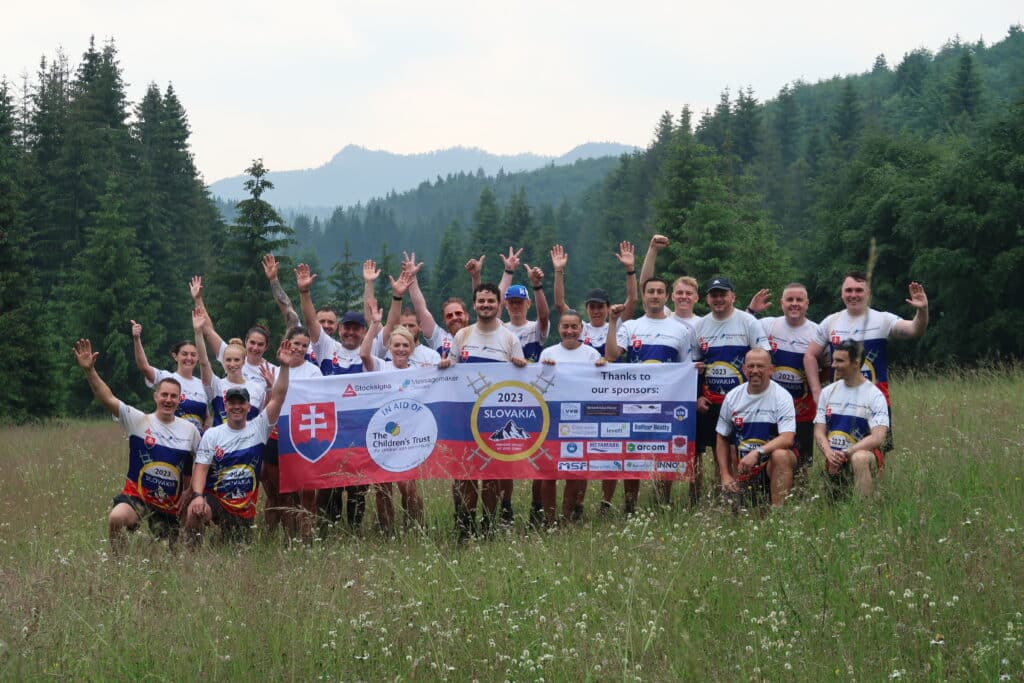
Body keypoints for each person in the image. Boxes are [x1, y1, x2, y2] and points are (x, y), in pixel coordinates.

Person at [74, 338, 201, 554]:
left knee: (168, 558)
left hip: (169, 506)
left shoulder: (190, 431)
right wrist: (89, 371)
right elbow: (107, 398)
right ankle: (118, 561)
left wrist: (190, 491)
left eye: (173, 396)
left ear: (180, 400)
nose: (168, 400)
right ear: (156, 396)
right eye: (164, 395)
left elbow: (200, 464)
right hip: (137, 498)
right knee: (116, 517)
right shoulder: (138, 421)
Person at [438, 282, 527, 539]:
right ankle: (465, 525)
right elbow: (451, 371)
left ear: (499, 305)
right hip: (464, 417)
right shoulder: (462, 336)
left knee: (491, 474)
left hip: (495, 418)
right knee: (465, 474)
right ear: (474, 304)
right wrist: (445, 365)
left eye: (490, 301)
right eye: (481, 301)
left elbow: (520, 383)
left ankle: (488, 524)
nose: (485, 305)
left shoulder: (510, 339)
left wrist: (521, 366)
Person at [183, 340, 292, 545]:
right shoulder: (213, 434)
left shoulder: (259, 428)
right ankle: (191, 558)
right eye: (232, 403)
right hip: (215, 496)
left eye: (240, 403)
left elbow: (278, 397)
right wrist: (197, 496)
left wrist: (284, 366)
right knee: (195, 512)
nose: (236, 407)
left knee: (234, 546)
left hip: (243, 507)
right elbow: (201, 469)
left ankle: (221, 538)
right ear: (225, 404)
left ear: (248, 405)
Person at [804, 271, 928, 451]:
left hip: (874, 403)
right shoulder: (831, 322)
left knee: (874, 457)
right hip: (839, 404)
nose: (853, 295)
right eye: (848, 290)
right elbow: (809, 355)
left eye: (859, 290)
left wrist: (922, 310)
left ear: (868, 293)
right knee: (836, 460)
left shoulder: (882, 319)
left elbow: (915, 329)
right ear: (842, 293)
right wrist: (816, 390)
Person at [604, 277, 696, 513]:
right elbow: (612, 355)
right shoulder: (631, 326)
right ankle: (630, 505)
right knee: (630, 453)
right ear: (644, 296)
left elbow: (686, 368)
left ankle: (661, 502)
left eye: (660, 292)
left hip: (667, 405)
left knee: (665, 454)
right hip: (633, 404)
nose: (655, 295)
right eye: (651, 291)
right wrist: (613, 321)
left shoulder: (681, 331)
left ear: (666, 297)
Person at [294, 262, 372, 532]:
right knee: (329, 482)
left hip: (360, 427)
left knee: (359, 485)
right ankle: (328, 530)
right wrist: (305, 293)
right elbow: (311, 322)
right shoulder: (328, 347)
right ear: (339, 329)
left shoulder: (370, 352)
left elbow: (378, 319)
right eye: (347, 328)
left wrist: (369, 285)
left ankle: (354, 530)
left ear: (363, 331)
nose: (350, 332)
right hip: (330, 426)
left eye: (356, 329)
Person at [692, 276, 771, 505]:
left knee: (742, 449)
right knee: (720, 453)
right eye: (714, 295)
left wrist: (759, 392)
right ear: (707, 299)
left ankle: (747, 496)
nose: (718, 299)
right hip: (712, 401)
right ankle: (724, 496)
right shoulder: (700, 326)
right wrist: (698, 395)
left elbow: (763, 357)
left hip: (744, 399)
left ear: (732, 297)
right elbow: (696, 365)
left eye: (723, 294)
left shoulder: (748, 322)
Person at [359, 300, 427, 532]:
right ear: (389, 347)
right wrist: (375, 325)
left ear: (411, 348)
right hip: (382, 435)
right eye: (396, 345)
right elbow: (364, 353)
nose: (400, 349)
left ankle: (414, 528)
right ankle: (387, 530)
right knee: (382, 487)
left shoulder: (419, 372)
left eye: (404, 346)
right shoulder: (381, 366)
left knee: (408, 486)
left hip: (409, 437)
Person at [539, 309, 607, 524]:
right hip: (552, 419)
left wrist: (603, 368)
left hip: (582, 421)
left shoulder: (592, 354)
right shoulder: (548, 353)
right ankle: (549, 520)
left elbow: (601, 387)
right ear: (558, 328)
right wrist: (544, 370)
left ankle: (568, 517)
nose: (569, 331)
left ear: (581, 328)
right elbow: (538, 387)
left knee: (575, 471)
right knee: (549, 473)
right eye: (565, 326)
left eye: (574, 326)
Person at [745, 283, 819, 472]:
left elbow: (825, 368)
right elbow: (742, 330)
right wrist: (751, 310)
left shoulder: (817, 332)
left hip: (802, 410)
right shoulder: (768, 324)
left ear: (807, 303)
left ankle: (801, 500)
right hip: (769, 408)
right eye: (789, 300)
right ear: (781, 303)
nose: (794, 304)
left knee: (802, 466)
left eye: (799, 300)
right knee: (768, 458)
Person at [715, 349, 798, 507]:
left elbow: (787, 438)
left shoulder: (782, 396)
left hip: (769, 464)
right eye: (750, 366)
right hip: (743, 466)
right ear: (744, 369)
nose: (755, 371)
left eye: (760, 366)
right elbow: (721, 436)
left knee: (781, 454)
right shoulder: (732, 396)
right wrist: (725, 474)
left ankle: (778, 513)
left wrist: (757, 453)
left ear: (771, 369)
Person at [814, 340, 890, 497]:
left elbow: (879, 437)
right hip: (834, 457)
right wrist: (829, 453)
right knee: (833, 507)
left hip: (861, 455)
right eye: (833, 360)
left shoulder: (874, 395)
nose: (833, 365)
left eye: (840, 361)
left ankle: (865, 513)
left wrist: (848, 452)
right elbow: (819, 431)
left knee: (859, 458)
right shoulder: (827, 392)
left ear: (856, 364)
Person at [550, 242, 638, 356]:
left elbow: (632, 299)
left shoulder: (616, 324)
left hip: (609, 374)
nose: (596, 311)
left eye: (600, 307)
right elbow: (560, 303)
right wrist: (558, 270)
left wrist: (630, 268)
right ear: (586, 308)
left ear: (608, 308)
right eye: (592, 307)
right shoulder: (580, 327)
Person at [191, 275, 277, 385]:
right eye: (252, 342)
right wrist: (198, 299)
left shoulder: (272, 371)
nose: (255, 347)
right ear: (246, 342)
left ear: (266, 347)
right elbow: (208, 331)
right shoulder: (231, 356)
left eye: (260, 344)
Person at [191, 308, 268, 427]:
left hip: (247, 444)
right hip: (220, 444)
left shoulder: (257, 389)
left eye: (236, 360)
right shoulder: (217, 386)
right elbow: (204, 362)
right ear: (223, 361)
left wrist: (271, 388)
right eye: (228, 360)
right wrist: (198, 333)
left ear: (243, 362)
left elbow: (265, 418)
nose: (232, 364)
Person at [131, 319, 208, 432]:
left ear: (197, 358)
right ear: (175, 356)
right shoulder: (167, 378)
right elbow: (144, 367)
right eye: (184, 354)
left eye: (193, 355)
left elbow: (206, 417)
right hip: (171, 441)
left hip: (196, 444)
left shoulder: (203, 384)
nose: (189, 358)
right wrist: (137, 339)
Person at [638, 234, 702, 332]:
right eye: (679, 292)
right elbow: (645, 285)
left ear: (696, 297)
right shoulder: (663, 315)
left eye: (689, 293)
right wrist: (653, 249)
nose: (684, 296)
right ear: (672, 296)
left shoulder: (703, 325)